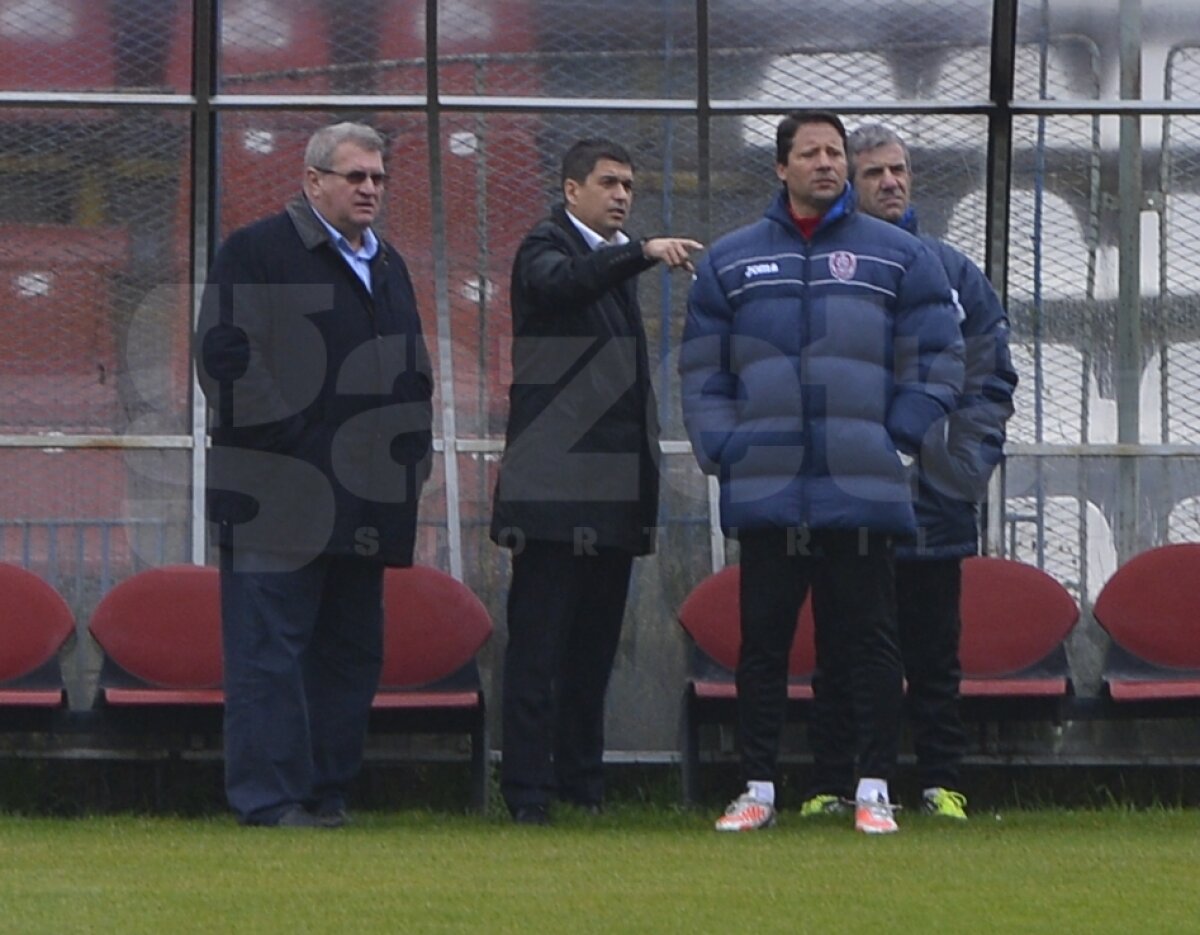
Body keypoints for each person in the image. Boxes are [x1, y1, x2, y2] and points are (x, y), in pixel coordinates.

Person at [680, 110, 964, 834]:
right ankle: (756, 789)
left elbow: (938, 356)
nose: (826, 163)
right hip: (768, 483)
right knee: (763, 644)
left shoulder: (899, 255)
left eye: (834, 152)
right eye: (810, 153)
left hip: (861, 484)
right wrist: (726, 448)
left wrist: (897, 437)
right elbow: (703, 370)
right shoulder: (732, 260)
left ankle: (874, 789)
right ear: (781, 168)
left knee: (871, 641)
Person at [195, 122, 433, 827]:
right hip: (278, 493)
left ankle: (326, 792)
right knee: (269, 654)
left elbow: (413, 370)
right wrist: (299, 447)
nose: (370, 189)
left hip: (366, 498)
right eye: (355, 176)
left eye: (378, 177)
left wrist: (408, 455)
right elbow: (227, 360)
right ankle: (270, 798)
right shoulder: (255, 251)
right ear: (313, 181)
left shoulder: (388, 264)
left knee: (348, 652)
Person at [799, 123, 1018, 822]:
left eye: (899, 170)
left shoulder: (953, 272)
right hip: (846, 496)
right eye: (875, 173)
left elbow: (991, 377)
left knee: (933, 651)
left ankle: (940, 782)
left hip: (934, 497)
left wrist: (959, 465)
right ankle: (837, 782)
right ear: (849, 184)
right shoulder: (822, 266)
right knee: (841, 646)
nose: (891, 182)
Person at [491, 138, 702, 825]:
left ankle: (582, 786)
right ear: (571, 189)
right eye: (609, 182)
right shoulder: (545, 248)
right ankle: (527, 791)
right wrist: (641, 251)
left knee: (592, 651)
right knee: (538, 649)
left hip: (610, 495)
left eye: (629, 186)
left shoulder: (612, 268)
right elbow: (563, 284)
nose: (621, 196)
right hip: (553, 496)